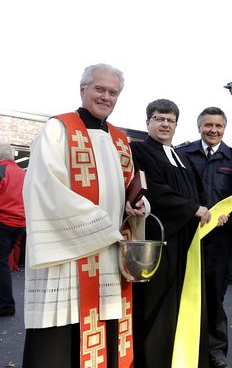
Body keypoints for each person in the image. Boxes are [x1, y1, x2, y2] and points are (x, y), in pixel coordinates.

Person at [22, 63, 146, 367]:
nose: (106, 97)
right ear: (83, 89)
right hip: (67, 253)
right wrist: (99, 225)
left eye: (113, 92)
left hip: (109, 253)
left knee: (107, 323)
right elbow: (44, 188)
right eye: (99, 89)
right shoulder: (59, 129)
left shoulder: (121, 140)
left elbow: (131, 186)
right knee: (62, 335)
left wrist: (139, 207)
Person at [130, 99, 230, 368]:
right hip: (163, 241)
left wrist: (211, 213)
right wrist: (192, 209)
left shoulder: (181, 156)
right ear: (148, 122)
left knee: (187, 303)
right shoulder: (140, 151)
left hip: (188, 242)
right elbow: (155, 191)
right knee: (160, 308)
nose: (165, 124)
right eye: (159, 118)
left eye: (170, 120)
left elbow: (199, 195)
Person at [176, 106, 232, 368]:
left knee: (215, 295)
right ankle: (188, 346)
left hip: (221, 239)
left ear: (224, 128)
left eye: (218, 126)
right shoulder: (182, 155)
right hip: (187, 236)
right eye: (208, 125)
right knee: (186, 293)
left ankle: (216, 352)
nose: (213, 130)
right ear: (199, 127)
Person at [0, 141, 26, 317]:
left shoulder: (2, 170)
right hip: (19, 224)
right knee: (2, 262)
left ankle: (6, 304)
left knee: (1, 263)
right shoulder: (22, 173)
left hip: (3, 221)